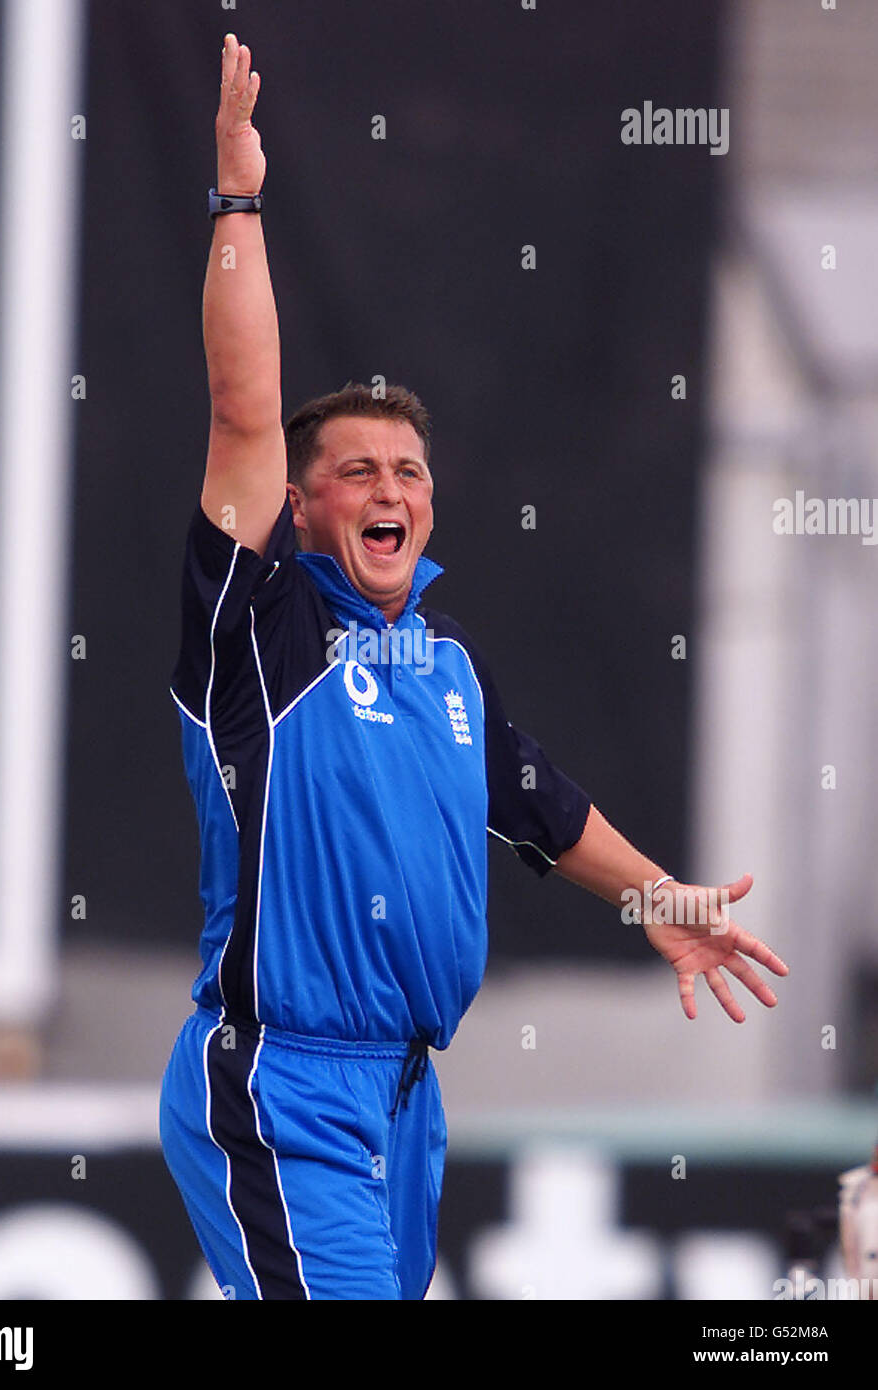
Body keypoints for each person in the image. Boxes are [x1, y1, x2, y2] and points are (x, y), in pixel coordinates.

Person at [158, 33, 788, 1302]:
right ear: (300, 502)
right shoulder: (264, 636)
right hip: (283, 1076)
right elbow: (242, 408)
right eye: (357, 471)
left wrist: (666, 904)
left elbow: (544, 809)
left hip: (405, 1095)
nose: (390, 490)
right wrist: (238, 195)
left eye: (411, 473)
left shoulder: (447, 671)